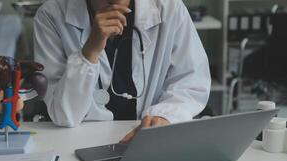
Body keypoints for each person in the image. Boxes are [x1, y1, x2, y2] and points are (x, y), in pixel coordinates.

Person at [33, 0, 211, 143]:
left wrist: (165, 115)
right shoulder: (51, 15)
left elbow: (191, 82)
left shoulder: (169, 8)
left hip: (150, 141)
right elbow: (64, 115)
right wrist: (89, 52)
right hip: (80, 142)